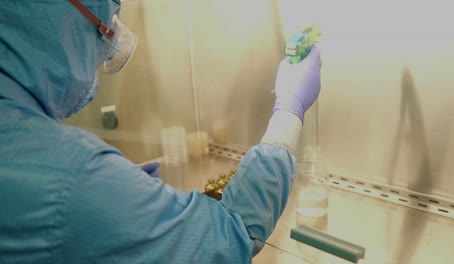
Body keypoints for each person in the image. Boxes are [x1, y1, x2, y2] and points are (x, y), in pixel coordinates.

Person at [0, 0, 321, 263]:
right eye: (102, 30)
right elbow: (229, 239)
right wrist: (289, 111)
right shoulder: (66, 176)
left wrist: (115, 185)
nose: (105, 53)